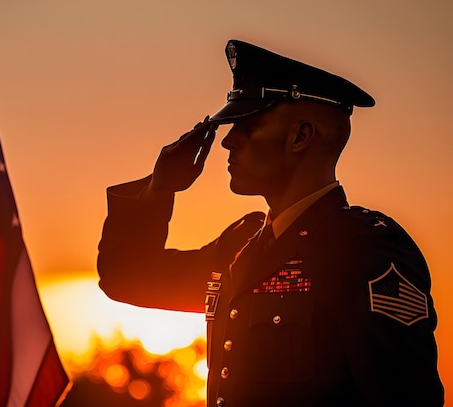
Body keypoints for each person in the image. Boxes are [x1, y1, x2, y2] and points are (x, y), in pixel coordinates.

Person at [97, 39, 444, 406]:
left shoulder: (363, 248)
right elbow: (126, 278)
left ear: (301, 136)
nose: (228, 142)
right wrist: (159, 190)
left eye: (247, 126)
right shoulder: (240, 245)